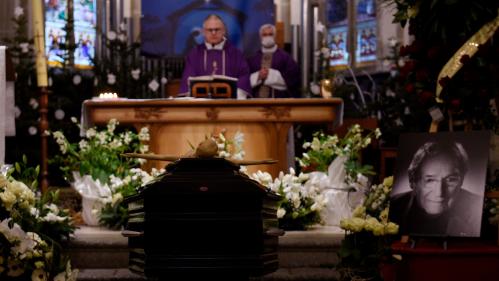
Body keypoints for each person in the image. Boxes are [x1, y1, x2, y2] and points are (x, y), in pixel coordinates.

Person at [390, 140, 483, 237]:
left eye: (450, 180)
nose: (439, 193)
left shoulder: (478, 210)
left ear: (462, 180)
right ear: (412, 181)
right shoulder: (394, 207)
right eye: (430, 180)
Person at [179, 14, 251, 99]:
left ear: (224, 31)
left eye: (217, 29)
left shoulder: (235, 53)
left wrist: (236, 95)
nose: (213, 33)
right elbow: (188, 80)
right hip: (201, 105)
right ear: (203, 32)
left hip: (229, 104)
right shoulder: (195, 54)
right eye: (210, 30)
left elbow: (244, 77)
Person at [247, 24, 300, 98]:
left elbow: (293, 78)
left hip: (278, 101)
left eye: (270, 34)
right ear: (260, 37)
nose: (267, 37)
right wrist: (258, 76)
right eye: (264, 35)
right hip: (256, 101)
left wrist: (272, 74)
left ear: (275, 36)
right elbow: (244, 79)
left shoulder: (285, 57)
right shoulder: (253, 59)